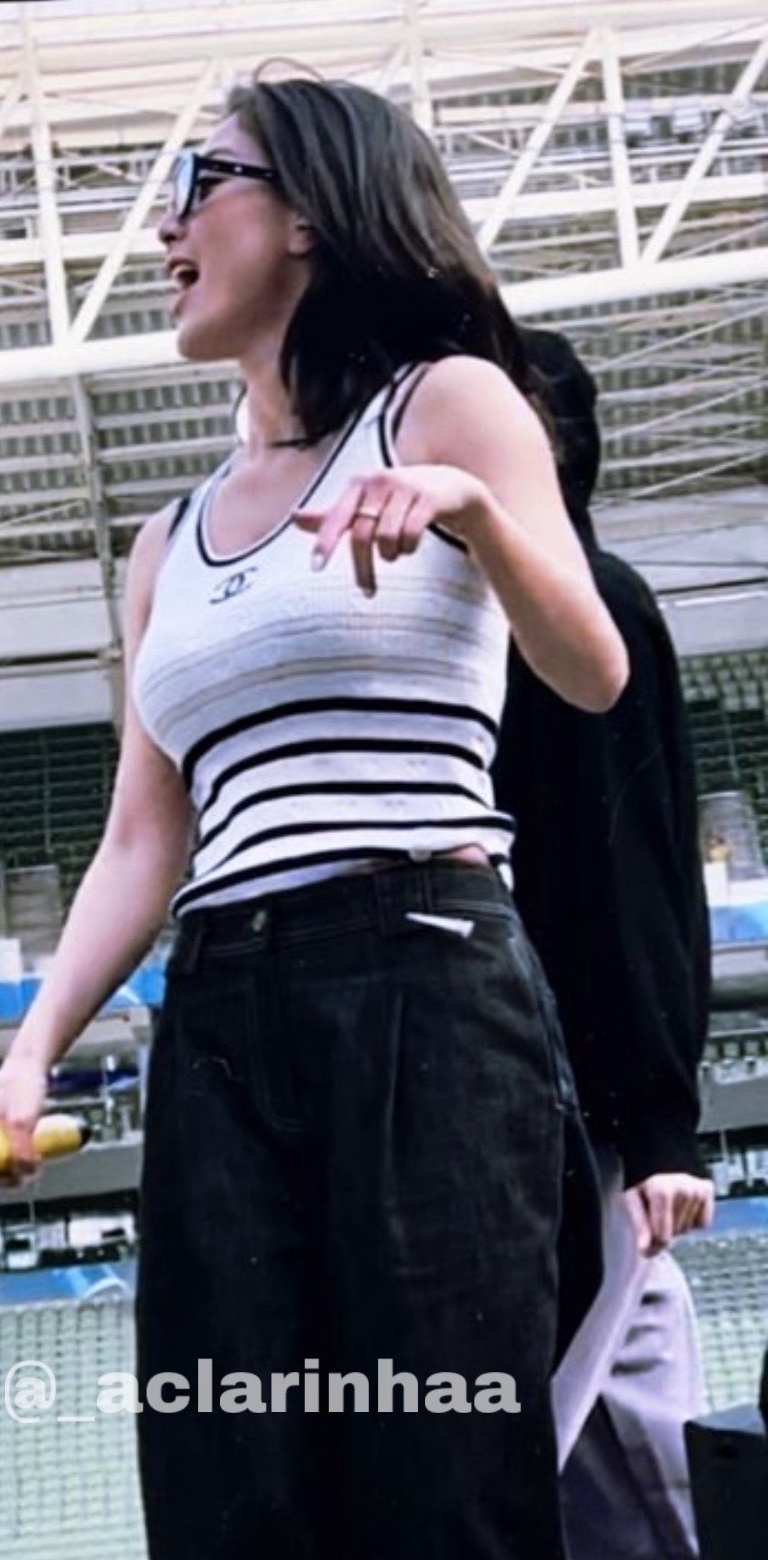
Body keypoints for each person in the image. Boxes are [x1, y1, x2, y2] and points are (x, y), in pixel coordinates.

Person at [0, 74, 628, 1560]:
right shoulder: (164, 541)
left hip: (421, 971)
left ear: (309, 210)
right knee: (226, 1488)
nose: (165, 227)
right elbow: (144, 836)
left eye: (202, 182)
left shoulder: (449, 404)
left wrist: (471, 509)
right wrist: (27, 1055)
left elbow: (591, 669)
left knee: (444, 1484)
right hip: (219, 1006)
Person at [493, 326, 714, 1560]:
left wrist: (661, 1127)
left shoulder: (590, 604)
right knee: (640, 1462)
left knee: (515, 1451)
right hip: (550, 1101)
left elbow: (637, 875)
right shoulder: (491, 607)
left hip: (579, 1115)